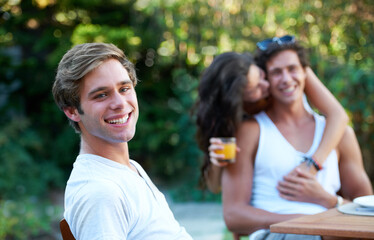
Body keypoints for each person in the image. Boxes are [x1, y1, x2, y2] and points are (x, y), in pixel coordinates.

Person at [221, 36, 373, 238]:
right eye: (276, 72)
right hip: (279, 234)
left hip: (332, 233)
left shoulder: (340, 134)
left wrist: (327, 200)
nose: (286, 78)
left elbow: (367, 210)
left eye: (292, 68)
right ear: (264, 79)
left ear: (305, 73)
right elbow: (234, 216)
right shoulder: (251, 130)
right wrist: (305, 223)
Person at [52, 43, 192, 240]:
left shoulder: (127, 168)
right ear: (72, 111)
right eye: (101, 95)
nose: (120, 103)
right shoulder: (100, 192)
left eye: (124, 88)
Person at [195, 49, 349, 193]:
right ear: (238, 100)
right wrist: (216, 164)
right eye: (256, 89)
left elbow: (339, 115)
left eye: (262, 75)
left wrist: (313, 165)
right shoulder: (236, 122)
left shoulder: (288, 77)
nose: (266, 84)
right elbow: (215, 187)